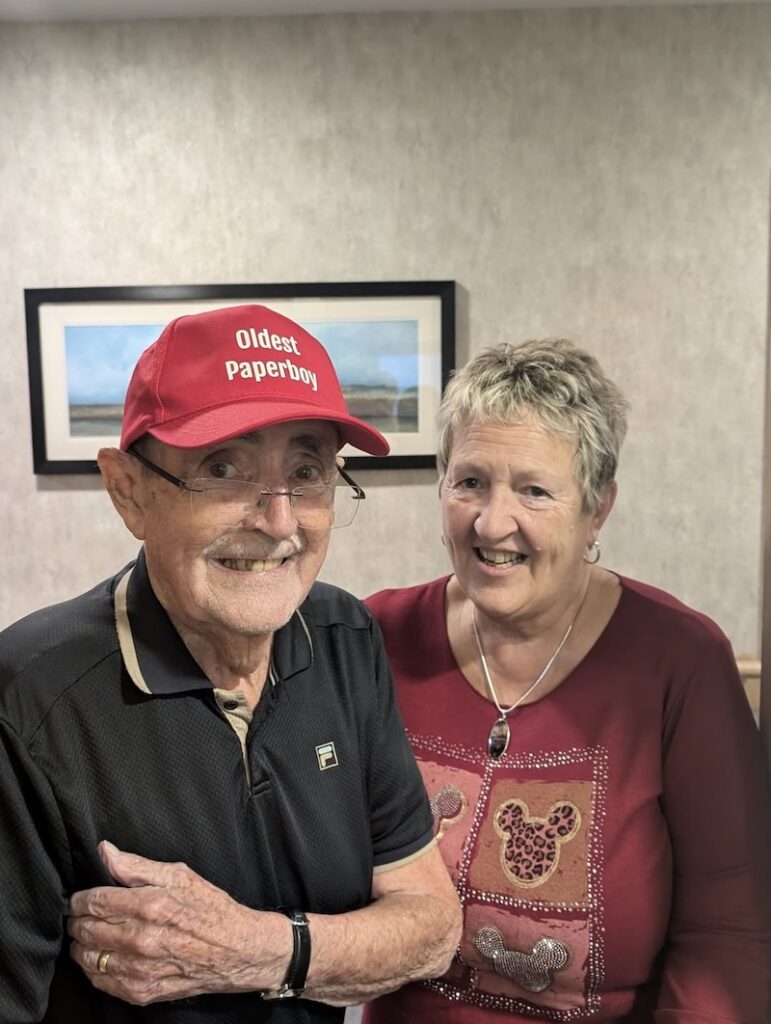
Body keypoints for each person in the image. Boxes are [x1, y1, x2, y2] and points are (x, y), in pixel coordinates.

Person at [0, 304, 461, 1024]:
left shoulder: (344, 638)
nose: (278, 522)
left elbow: (431, 928)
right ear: (129, 492)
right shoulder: (30, 700)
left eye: (305, 471)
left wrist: (258, 950)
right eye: (222, 468)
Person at [363, 339, 771, 1022]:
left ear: (596, 510)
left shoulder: (680, 660)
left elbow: (728, 935)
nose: (493, 523)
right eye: (469, 482)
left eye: (533, 490)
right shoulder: (374, 636)